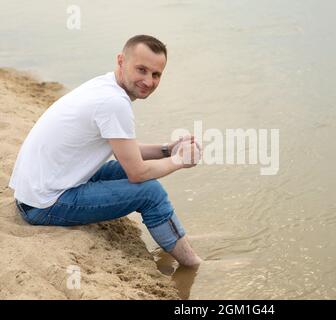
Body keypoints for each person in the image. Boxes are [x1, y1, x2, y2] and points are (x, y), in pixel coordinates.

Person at [8, 34, 202, 267]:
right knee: (150, 192)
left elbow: (127, 151)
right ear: (121, 61)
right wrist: (180, 160)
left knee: (121, 169)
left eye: (156, 74)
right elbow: (137, 173)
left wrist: (167, 150)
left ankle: (179, 247)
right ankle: (193, 264)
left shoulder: (104, 86)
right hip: (42, 205)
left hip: (33, 192)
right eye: (141, 69)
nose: (148, 81)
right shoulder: (114, 103)